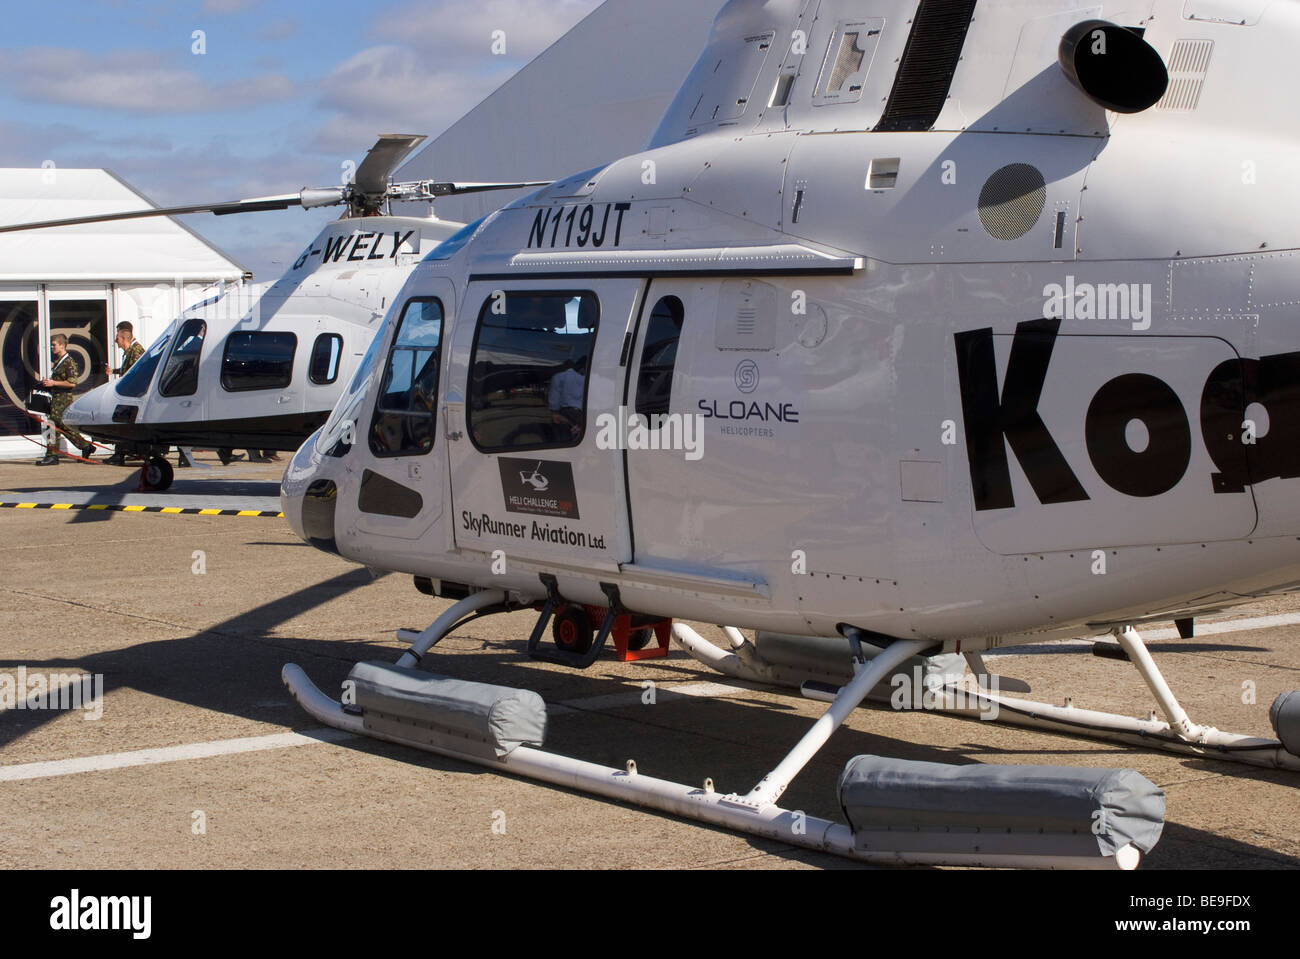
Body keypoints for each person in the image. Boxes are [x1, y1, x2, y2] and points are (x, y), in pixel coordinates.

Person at [36, 334, 94, 465]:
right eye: (51, 345)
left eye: (54, 345)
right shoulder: (58, 362)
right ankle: (54, 454)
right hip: (56, 397)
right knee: (54, 425)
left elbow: (72, 383)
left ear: (62, 345)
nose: (52, 347)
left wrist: (54, 383)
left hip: (63, 398)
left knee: (57, 424)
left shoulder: (69, 362)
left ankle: (81, 447)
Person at [103, 322, 145, 466]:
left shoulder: (136, 351)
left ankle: (119, 454)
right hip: (130, 395)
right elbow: (129, 370)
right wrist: (114, 371)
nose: (116, 342)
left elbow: (139, 373)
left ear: (124, 339)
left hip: (134, 396)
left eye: (118, 339)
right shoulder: (130, 352)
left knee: (122, 423)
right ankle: (128, 452)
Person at [547, 355, 587, 441]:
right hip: (583, 414)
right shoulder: (588, 379)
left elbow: (554, 402)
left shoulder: (559, 377)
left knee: (564, 442)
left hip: (565, 413)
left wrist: (555, 413)